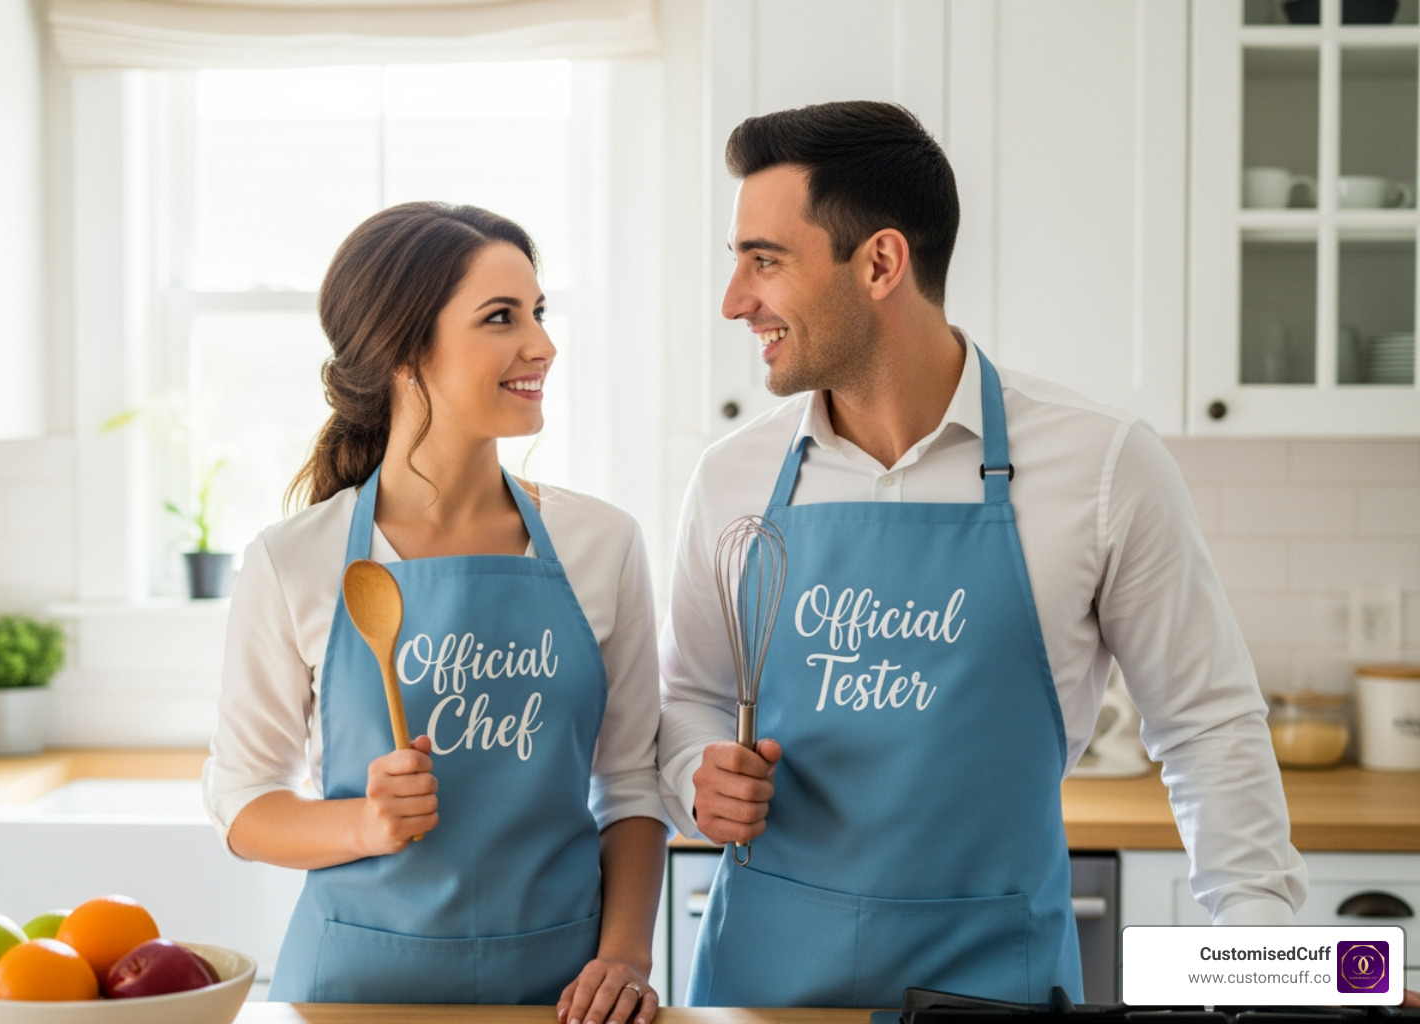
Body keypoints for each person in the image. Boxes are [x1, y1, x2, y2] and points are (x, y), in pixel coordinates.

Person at [657, 100, 1311, 1008]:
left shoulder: (1102, 465)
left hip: (995, 981)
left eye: (764, 262)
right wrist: (697, 775)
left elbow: (1207, 727)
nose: (735, 300)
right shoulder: (733, 479)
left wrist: (1263, 957)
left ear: (881, 261)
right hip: (768, 985)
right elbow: (687, 696)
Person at [204, 202, 666, 1023]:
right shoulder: (294, 560)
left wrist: (625, 956)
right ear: (404, 352)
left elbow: (629, 785)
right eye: (501, 317)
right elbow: (243, 803)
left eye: (538, 312)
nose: (543, 345)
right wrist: (363, 825)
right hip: (353, 990)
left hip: (562, 993)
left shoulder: (603, 543)